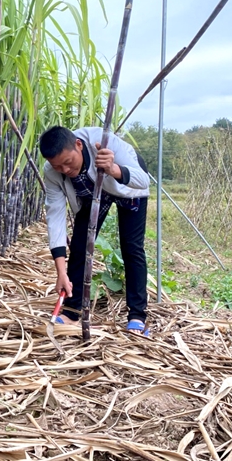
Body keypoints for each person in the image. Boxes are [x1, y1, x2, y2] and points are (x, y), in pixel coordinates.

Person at [39, 126, 151, 335]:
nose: (64, 170)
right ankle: (72, 312)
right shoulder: (51, 172)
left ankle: (137, 316)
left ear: (79, 146)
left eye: (68, 162)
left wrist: (114, 169)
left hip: (127, 187)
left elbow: (143, 179)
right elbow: (55, 216)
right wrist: (61, 272)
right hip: (94, 195)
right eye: (58, 166)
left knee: (131, 248)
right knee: (80, 245)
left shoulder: (103, 141)